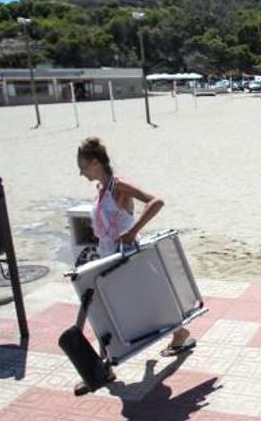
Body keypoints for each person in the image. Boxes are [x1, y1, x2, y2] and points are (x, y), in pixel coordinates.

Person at [76, 137, 193, 358]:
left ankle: (107, 362)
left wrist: (132, 231)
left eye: (83, 167)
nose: (81, 173)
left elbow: (156, 201)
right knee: (114, 306)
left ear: (95, 163)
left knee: (138, 302)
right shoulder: (100, 188)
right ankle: (107, 362)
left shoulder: (117, 185)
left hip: (126, 257)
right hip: (108, 256)